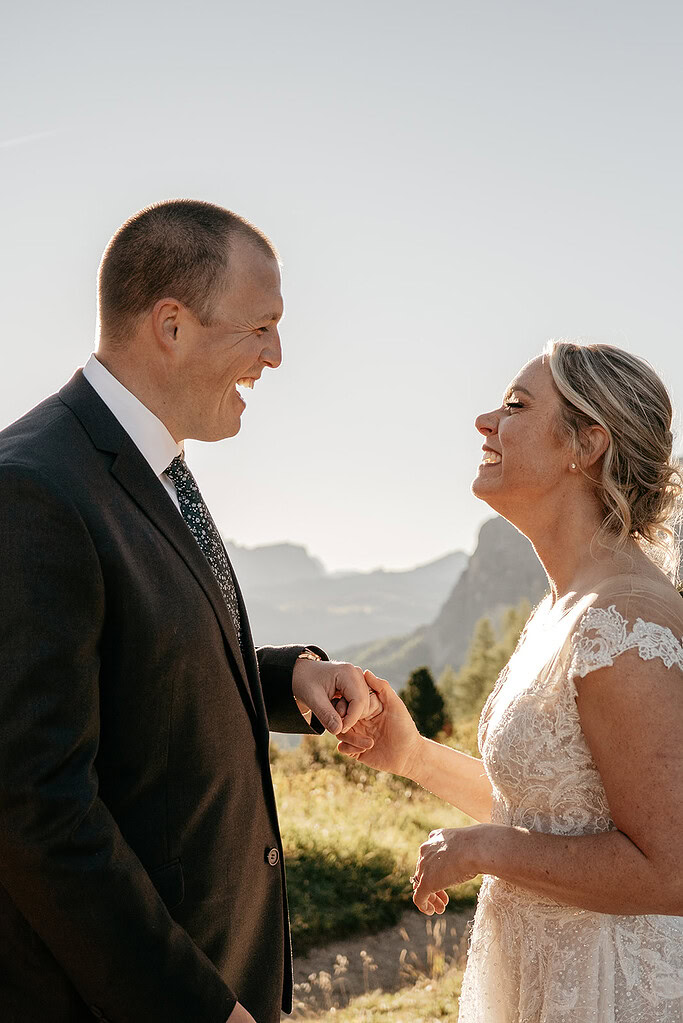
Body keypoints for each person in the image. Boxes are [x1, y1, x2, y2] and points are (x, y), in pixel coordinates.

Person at [0, 199, 375, 1023]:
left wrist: (288, 676)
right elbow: (33, 807)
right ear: (170, 325)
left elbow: (145, 660)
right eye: (261, 328)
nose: (276, 356)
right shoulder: (31, 488)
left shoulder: (152, 462)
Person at [340, 341, 683, 1021]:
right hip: (542, 977)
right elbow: (551, 818)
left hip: (612, 991)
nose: (484, 421)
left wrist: (483, 848)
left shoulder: (623, 621)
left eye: (516, 406)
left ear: (584, 445)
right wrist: (412, 755)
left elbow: (668, 869)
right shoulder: (565, 606)